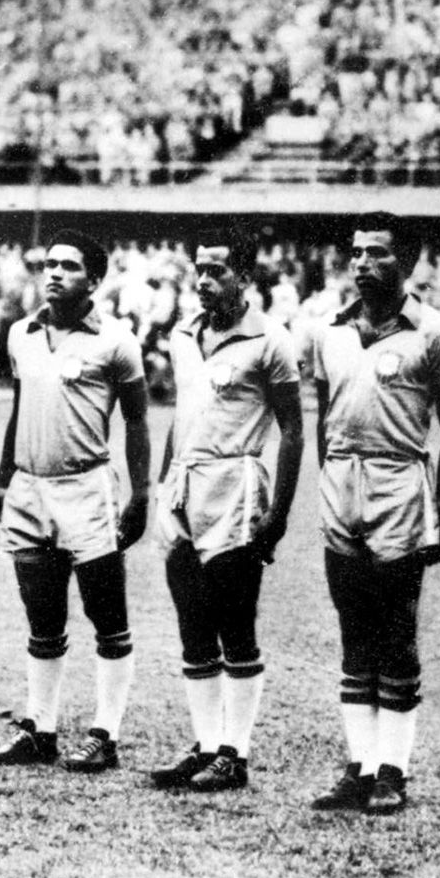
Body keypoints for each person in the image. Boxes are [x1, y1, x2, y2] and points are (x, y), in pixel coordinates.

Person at [304, 212, 440, 815]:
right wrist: (329, 478)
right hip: (341, 481)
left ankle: (392, 770)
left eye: (377, 253)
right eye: (356, 253)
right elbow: (325, 416)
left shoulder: (434, 333)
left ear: (408, 261)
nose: (363, 264)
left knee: (396, 629)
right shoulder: (330, 331)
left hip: (399, 480)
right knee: (352, 628)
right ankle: (359, 765)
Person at [0, 230, 152, 772]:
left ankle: (105, 732)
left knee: (106, 612)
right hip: (31, 488)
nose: (55, 273)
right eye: (50, 264)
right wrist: (4, 474)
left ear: (95, 281)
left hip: (86, 487)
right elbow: (18, 407)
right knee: (42, 613)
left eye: (70, 267)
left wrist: (141, 492)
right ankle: (41, 727)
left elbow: (137, 420)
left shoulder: (116, 342)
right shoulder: (22, 334)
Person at [151, 227, 303, 793]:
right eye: (200, 269)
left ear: (243, 276)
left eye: (217, 271)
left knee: (234, 622)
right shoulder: (184, 334)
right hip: (185, 487)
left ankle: (235, 752)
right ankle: (207, 743)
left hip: (235, 486)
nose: (205, 281)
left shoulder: (269, 340)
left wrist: (279, 513)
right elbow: (182, 413)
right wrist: (166, 483)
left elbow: (292, 431)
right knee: (191, 621)